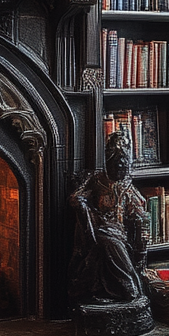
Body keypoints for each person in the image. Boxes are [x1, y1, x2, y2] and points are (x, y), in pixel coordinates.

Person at [69, 130, 149, 305]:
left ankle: (126, 289)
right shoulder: (97, 180)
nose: (121, 169)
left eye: (124, 165)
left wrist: (141, 221)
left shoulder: (126, 185)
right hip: (99, 227)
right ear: (108, 163)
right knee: (108, 241)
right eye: (116, 164)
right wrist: (83, 205)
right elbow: (77, 196)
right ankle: (128, 287)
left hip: (119, 230)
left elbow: (139, 209)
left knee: (113, 242)